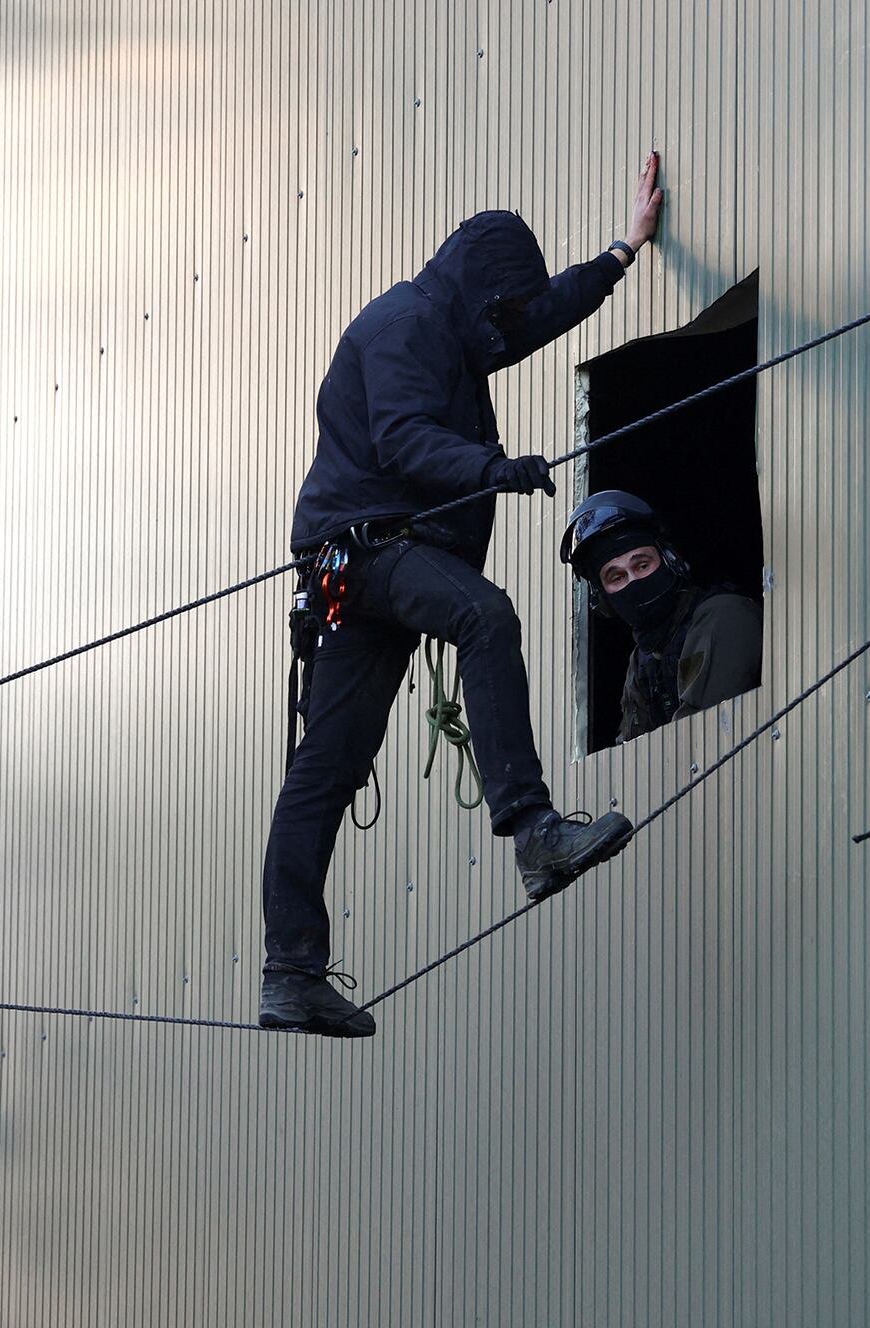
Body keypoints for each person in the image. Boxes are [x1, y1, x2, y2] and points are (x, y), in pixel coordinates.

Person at [259, 155, 667, 1039]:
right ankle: (534, 834)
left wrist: (619, 254)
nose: (507, 331)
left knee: (325, 768)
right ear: (480, 291)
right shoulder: (404, 327)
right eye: (502, 310)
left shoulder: (451, 323)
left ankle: (290, 973)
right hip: (371, 551)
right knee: (486, 615)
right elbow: (404, 442)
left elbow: (534, 319)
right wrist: (494, 468)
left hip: (364, 562)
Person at [559, 489, 764, 741]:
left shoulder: (724, 617)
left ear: (671, 561)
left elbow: (702, 740)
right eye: (617, 577)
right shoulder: (643, 660)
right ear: (603, 598)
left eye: (642, 565)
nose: (633, 581)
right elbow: (632, 755)